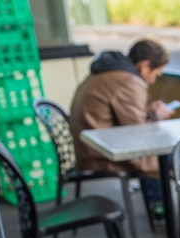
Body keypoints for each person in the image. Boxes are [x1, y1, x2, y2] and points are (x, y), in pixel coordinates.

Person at [69, 37, 174, 214]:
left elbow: (121, 115)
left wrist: (149, 109)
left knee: (163, 152)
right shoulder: (128, 81)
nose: (154, 80)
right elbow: (138, 132)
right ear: (145, 65)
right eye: (156, 74)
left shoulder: (109, 73)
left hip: (91, 147)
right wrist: (157, 115)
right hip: (103, 154)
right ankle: (172, 212)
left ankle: (158, 204)